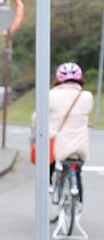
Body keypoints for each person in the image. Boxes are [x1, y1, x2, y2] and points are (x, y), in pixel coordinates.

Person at [33, 62, 94, 200]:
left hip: (58, 144)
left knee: (50, 160)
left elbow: (38, 117)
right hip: (80, 145)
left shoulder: (51, 95)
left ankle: (48, 183)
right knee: (77, 169)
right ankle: (78, 204)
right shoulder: (87, 96)